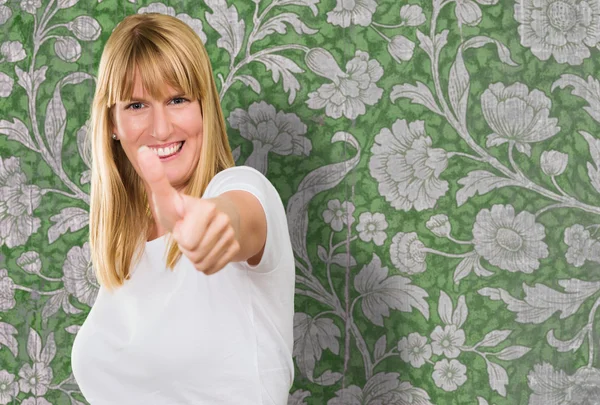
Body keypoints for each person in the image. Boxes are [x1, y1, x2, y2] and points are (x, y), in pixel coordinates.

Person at [70, 13, 295, 405]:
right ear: (112, 122)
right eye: (137, 104)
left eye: (177, 100)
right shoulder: (126, 243)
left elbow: (236, 217)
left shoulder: (241, 188)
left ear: (204, 107)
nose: (160, 129)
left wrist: (212, 226)